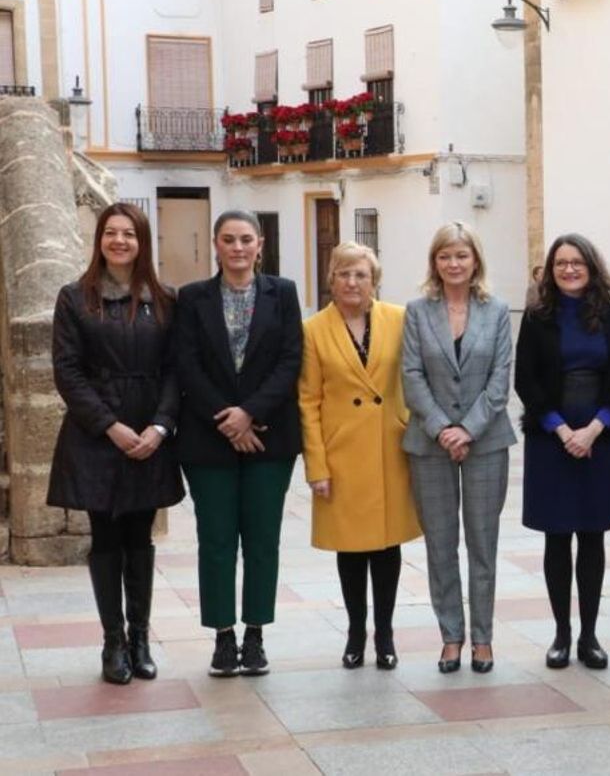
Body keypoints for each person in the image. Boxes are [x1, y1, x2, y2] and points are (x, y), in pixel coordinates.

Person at [49, 202, 185, 685]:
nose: (120, 241)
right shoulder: (74, 298)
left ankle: (142, 638)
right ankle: (113, 642)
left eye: (129, 233)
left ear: (142, 241)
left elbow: (175, 369)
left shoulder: (165, 299)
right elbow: (67, 370)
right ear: (99, 239)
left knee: (140, 537)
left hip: (150, 432)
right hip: (96, 435)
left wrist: (161, 426)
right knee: (105, 536)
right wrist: (110, 425)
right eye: (111, 232)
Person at [174, 210, 303, 677]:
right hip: (208, 441)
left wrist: (251, 413)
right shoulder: (191, 298)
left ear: (260, 243)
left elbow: (291, 360)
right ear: (215, 244)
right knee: (216, 541)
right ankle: (223, 637)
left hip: (271, 437)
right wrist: (229, 420)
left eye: (246, 239)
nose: (238, 248)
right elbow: (186, 365)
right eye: (228, 239)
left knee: (263, 540)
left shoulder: (283, 293)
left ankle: (255, 634)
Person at [299, 241, 421, 671]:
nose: (352, 282)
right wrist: (316, 465)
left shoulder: (400, 319)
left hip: (389, 449)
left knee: (386, 546)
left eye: (361, 275)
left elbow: (416, 378)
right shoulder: (314, 329)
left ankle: (385, 633)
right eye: (344, 274)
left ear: (375, 281)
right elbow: (308, 401)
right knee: (350, 548)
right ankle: (355, 632)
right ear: (330, 279)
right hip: (341, 454)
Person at [402, 222, 516, 674]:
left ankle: (482, 639)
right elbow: (411, 375)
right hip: (429, 445)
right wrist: (441, 428)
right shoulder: (417, 311)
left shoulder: (498, 310)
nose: (453, 264)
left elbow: (499, 380)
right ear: (435, 262)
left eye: (461, 256)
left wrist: (466, 429)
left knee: (482, 544)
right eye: (445, 256)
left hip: (486, 442)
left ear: (475, 262)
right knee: (441, 545)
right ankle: (451, 636)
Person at [516, 234, 610, 671]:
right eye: (560, 263)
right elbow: (525, 380)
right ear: (550, 269)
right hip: (551, 438)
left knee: (592, 535)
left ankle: (589, 635)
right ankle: (561, 635)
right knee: (557, 535)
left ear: (591, 265)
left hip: (600, 437)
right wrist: (562, 430)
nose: (568, 269)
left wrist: (594, 429)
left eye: (576, 262)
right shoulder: (537, 316)